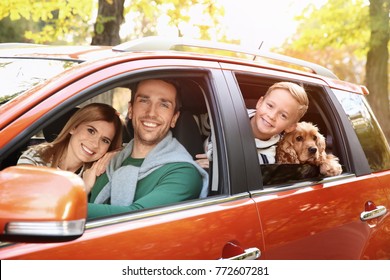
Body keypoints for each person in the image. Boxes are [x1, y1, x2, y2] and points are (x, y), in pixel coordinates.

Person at [87, 79, 209, 219]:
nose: (151, 112)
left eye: (164, 105)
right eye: (144, 100)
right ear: (131, 110)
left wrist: (60, 205)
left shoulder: (184, 173)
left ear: (174, 118)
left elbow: (133, 219)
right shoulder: (110, 160)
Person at [195, 81, 309, 167]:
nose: (271, 116)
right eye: (270, 106)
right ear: (260, 103)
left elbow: (236, 168)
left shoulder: (267, 158)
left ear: (290, 127)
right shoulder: (229, 115)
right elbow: (193, 124)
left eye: (283, 115)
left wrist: (218, 165)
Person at [17, 103, 124, 182]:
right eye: (91, 131)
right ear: (73, 127)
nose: (95, 144)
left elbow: (136, 149)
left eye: (105, 140)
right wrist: (85, 188)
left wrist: (117, 153)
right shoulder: (36, 158)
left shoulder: (98, 170)